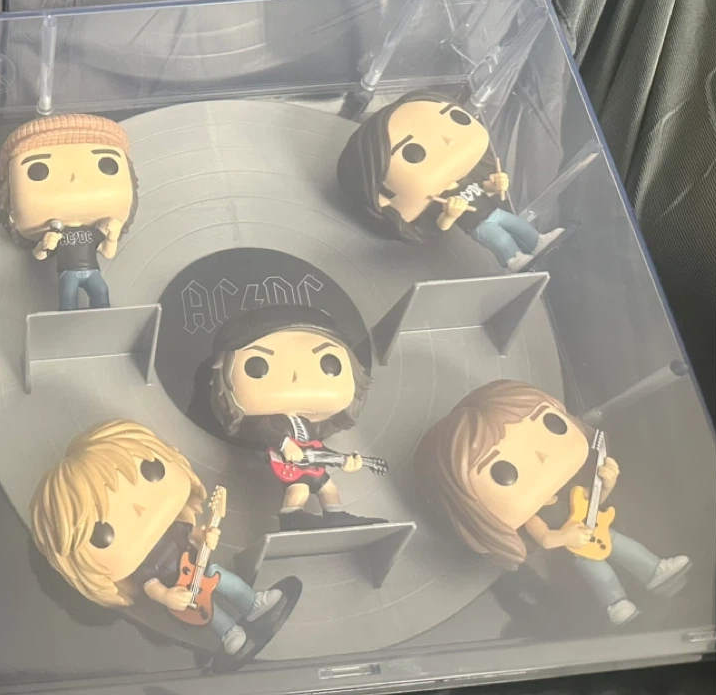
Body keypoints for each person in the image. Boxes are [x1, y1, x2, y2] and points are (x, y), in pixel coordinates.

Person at [416, 379, 689, 624]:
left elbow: (593, 499)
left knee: (629, 549)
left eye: (551, 424)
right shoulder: (533, 517)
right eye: (503, 472)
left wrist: (607, 484)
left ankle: (655, 570)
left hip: (600, 528)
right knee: (601, 575)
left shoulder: (570, 488)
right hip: (578, 548)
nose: (542, 457)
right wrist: (566, 536)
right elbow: (546, 540)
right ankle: (616, 603)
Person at [30, 420, 290, 655]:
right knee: (204, 610)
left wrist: (205, 535)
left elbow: (192, 533)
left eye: (151, 470)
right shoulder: (143, 566)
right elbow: (150, 586)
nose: (138, 509)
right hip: (176, 587)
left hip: (198, 567)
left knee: (218, 575)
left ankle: (253, 602)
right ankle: (228, 632)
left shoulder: (173, 528)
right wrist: (166, 596)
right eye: (101, 533)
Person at [336, 90, 563, 271]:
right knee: (501, 240)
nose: (448, 141)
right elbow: (442, 226)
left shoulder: (464, 178)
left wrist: (495, 185)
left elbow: (483, 190)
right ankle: (514, 259)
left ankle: (538, 241)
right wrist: (450, 214)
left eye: (455, 116)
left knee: (518, 225)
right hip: (479, 225)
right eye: (412, 153)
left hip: (494, 211)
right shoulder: (440, 197)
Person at [207, 305, 383, 530]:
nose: (297, 377)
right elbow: (263, 432)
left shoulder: (307, 423)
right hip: (290, 465)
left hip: (312, 466)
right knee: (298, 490)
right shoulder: (270, 422)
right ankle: (291, 518)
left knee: (329, 489)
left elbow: (316, 447)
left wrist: (344, 461)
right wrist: (284, 444)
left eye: (329, 363)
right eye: (257, 366)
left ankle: (336, 516)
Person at [0, 114, 137, 310]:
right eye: (37, 170)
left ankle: (102, 316)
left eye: (107, 164)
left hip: (92, 271)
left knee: (101, 291)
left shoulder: (93, 232)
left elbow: (107, 252)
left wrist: (112, 237)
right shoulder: (57, 234)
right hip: (68, 273)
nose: (75, 179)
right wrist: (44, 245)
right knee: (68, 296)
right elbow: (39, 255)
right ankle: (67, 319)